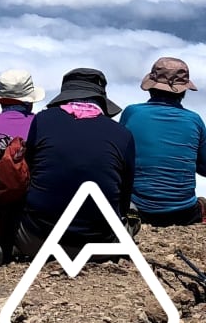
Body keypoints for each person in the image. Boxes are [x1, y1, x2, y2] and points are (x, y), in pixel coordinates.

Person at [15, 68, 135, 258]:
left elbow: (28, 174)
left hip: (37, 241)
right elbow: (124, 196)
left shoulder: (43, 121)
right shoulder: (122, 134)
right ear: (101, 98)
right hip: (101, 246)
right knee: (134, 214)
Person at [119, 57, 206, 226]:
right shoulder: (194, 120)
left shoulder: (132, 113)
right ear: (183, 91)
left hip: (137, 209)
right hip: (184, 212)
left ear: (151, 87)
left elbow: (120, 157)